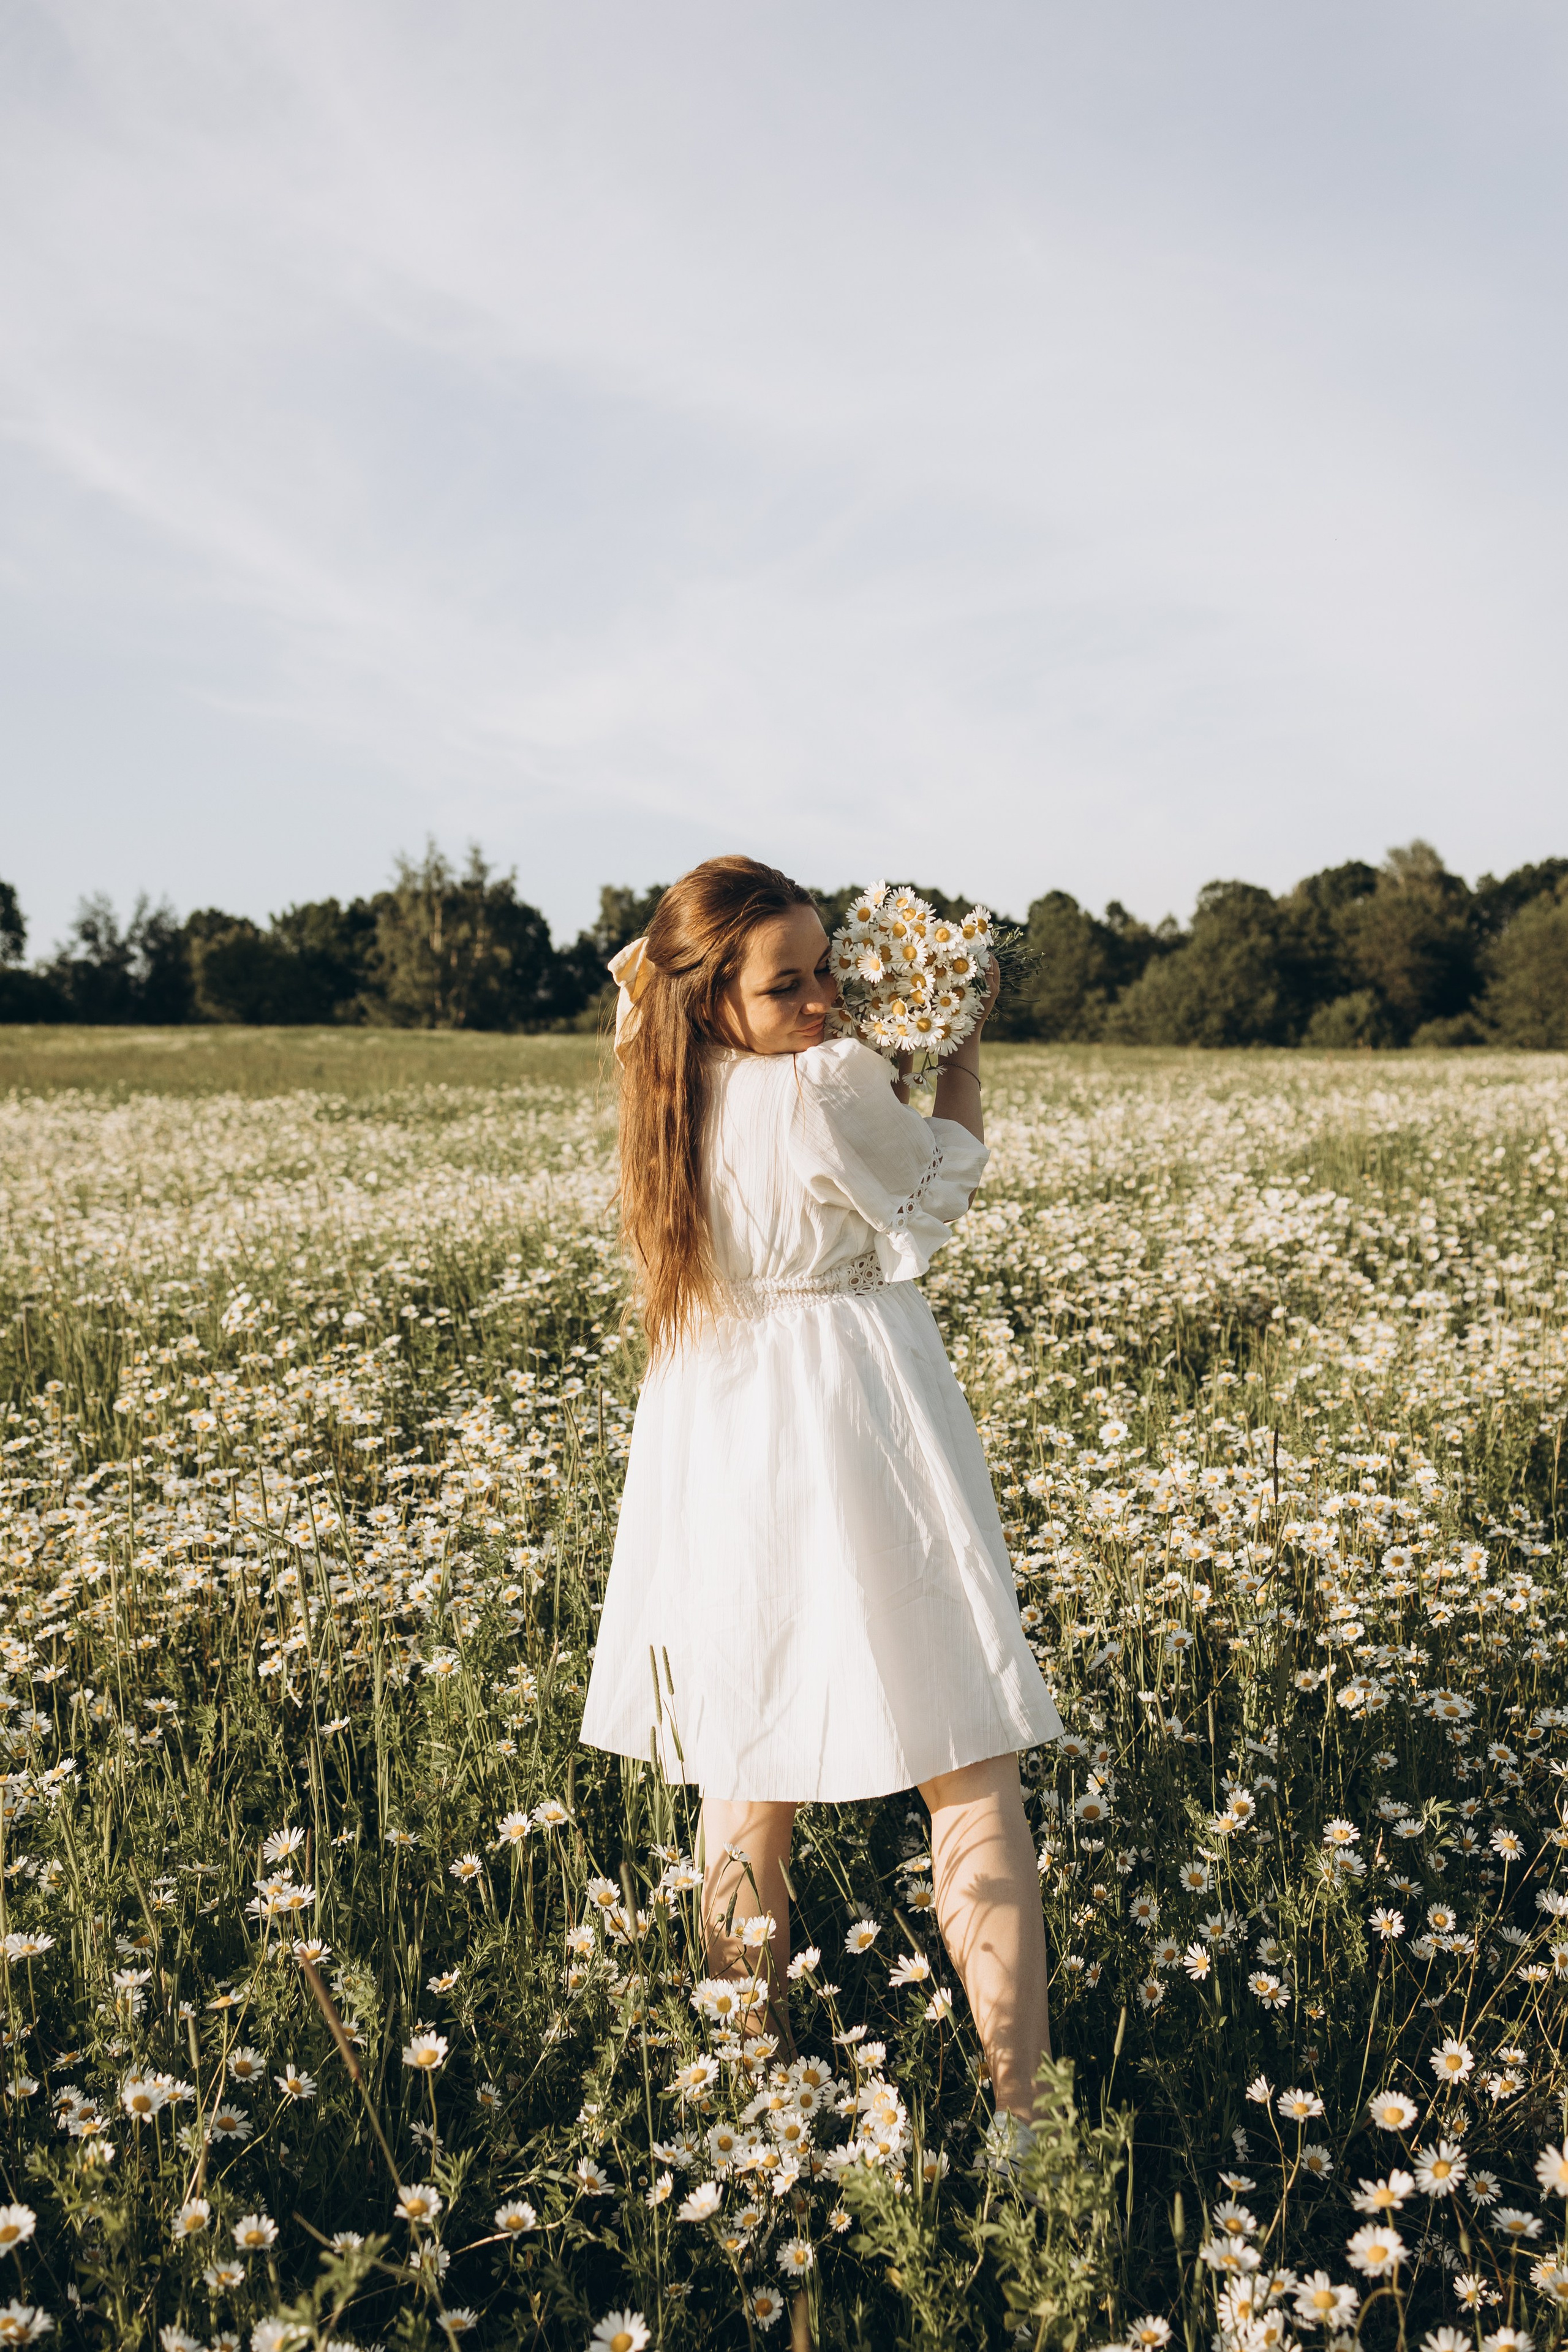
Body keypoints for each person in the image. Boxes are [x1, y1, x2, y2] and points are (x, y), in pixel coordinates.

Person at [578, 854, 1061, 2130]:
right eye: (785, 982)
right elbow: (939, 1189)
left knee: (744, 1787)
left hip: (718, 1430)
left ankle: (750, 2111)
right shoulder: (823, 1088)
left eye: (826, 970)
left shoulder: (659, 1083)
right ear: (714, 997)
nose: (820, 1000)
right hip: (856, 1418)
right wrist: (955, 1039)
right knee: (967, 1765)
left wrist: (717, 964)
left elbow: (639, 975)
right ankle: (1021, 2123)